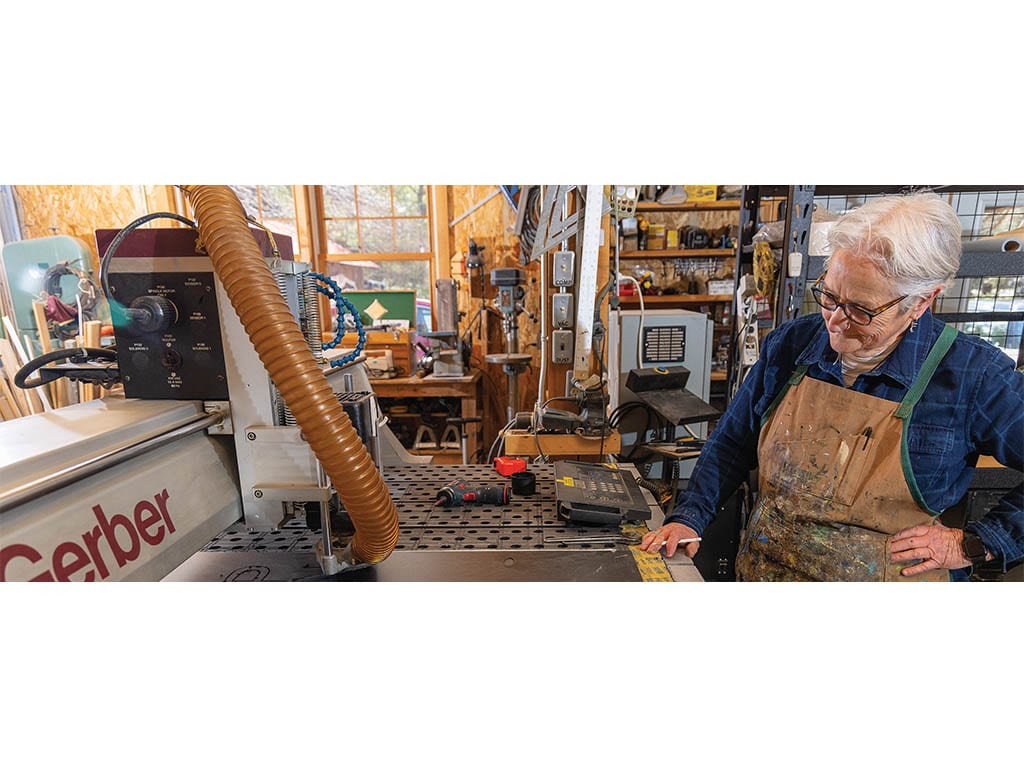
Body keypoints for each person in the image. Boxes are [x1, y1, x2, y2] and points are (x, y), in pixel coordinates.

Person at [640, 193, 1024, 581]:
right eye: (829, 295)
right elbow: (732, 444)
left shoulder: (974, 376)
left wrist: (977, 543)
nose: (835, 321)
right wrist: (691, 517)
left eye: (861, 309)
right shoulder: (792, 345)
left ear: (922, 301)